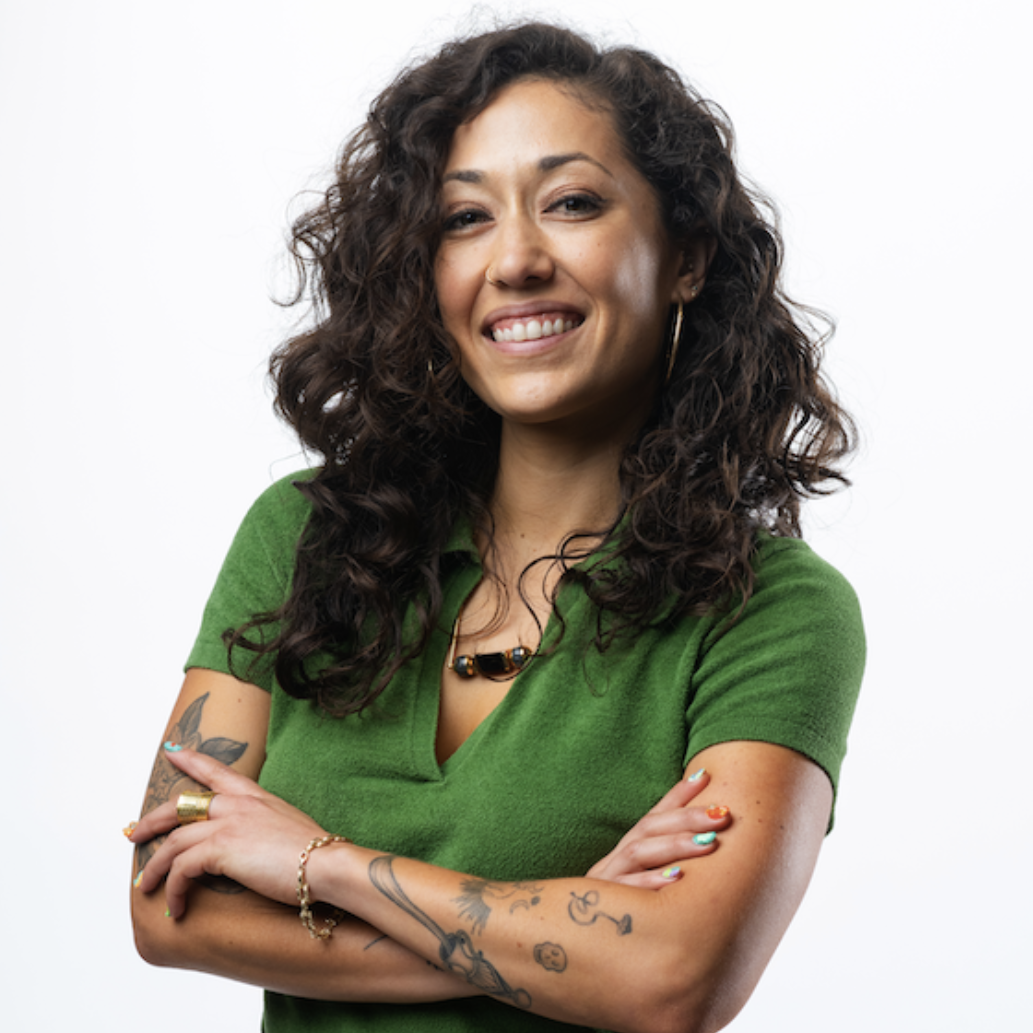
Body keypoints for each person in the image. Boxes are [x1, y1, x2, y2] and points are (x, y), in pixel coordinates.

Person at [128, 21, 864, 1033]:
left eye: (570, 203)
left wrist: (318, 864)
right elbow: (169, 904)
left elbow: (672, 978)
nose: (514, 260)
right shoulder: (301, 538)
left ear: (685, 254)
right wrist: (562, 922)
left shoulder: (771, 610)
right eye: (464, 217)